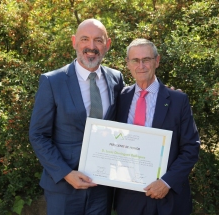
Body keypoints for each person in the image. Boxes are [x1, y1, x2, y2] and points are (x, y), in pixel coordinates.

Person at [29, 18, 124, 215]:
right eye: (84, 39)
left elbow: (126, 121)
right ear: (74, 42)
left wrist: (166, 94)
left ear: (107, 44)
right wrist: (65, 173)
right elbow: (38, 134)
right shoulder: (52, 81)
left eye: (98, 40)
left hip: (102, 188)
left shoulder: (116, 79)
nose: (91, 46)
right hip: (63, 188)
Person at [114, 38, 200, 215]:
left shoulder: (178, 100)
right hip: (129, 198)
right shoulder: (120, 99)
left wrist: (167, 182)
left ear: (157, 61)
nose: (141, 65)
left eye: (146, 59)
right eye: (135, 60)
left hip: (167, 197)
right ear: (128, 64)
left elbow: (191, 147)